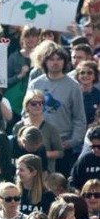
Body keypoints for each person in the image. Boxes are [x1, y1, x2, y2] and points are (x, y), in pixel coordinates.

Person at [27, 45, 87, 176]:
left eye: (59, 59)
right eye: (51, 59)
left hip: (63, 145)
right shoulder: (35, 84)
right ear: (45, 61)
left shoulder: (73, 86)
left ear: (65, 61)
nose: (55, 62)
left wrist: (72, 142)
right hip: (37, 145)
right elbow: (25, 113)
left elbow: (79, 118)